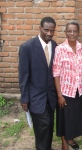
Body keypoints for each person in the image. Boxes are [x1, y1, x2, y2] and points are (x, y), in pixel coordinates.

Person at [18, 17, 57, 150]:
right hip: (35, 96)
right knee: (42, 126)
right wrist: (24, 98)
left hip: (51, 96)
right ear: (40, 28)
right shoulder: (27, 47)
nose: (49, 33)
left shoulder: (55, 45)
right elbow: (23, 75)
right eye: (46, 30)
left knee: (49, 125)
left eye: (52, 31)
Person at [52, 21, 82, 150]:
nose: (72, 33)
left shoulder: (81, 47)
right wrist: (59, 95)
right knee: (63, 117)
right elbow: (56, 73)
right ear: (65, 32)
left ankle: (70, 137)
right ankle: (64, 142)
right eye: (69, 31)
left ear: (78, 33)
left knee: (74, 116)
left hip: (78, 90)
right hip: (65, 91)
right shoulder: (60, 49)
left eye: (75, 31)